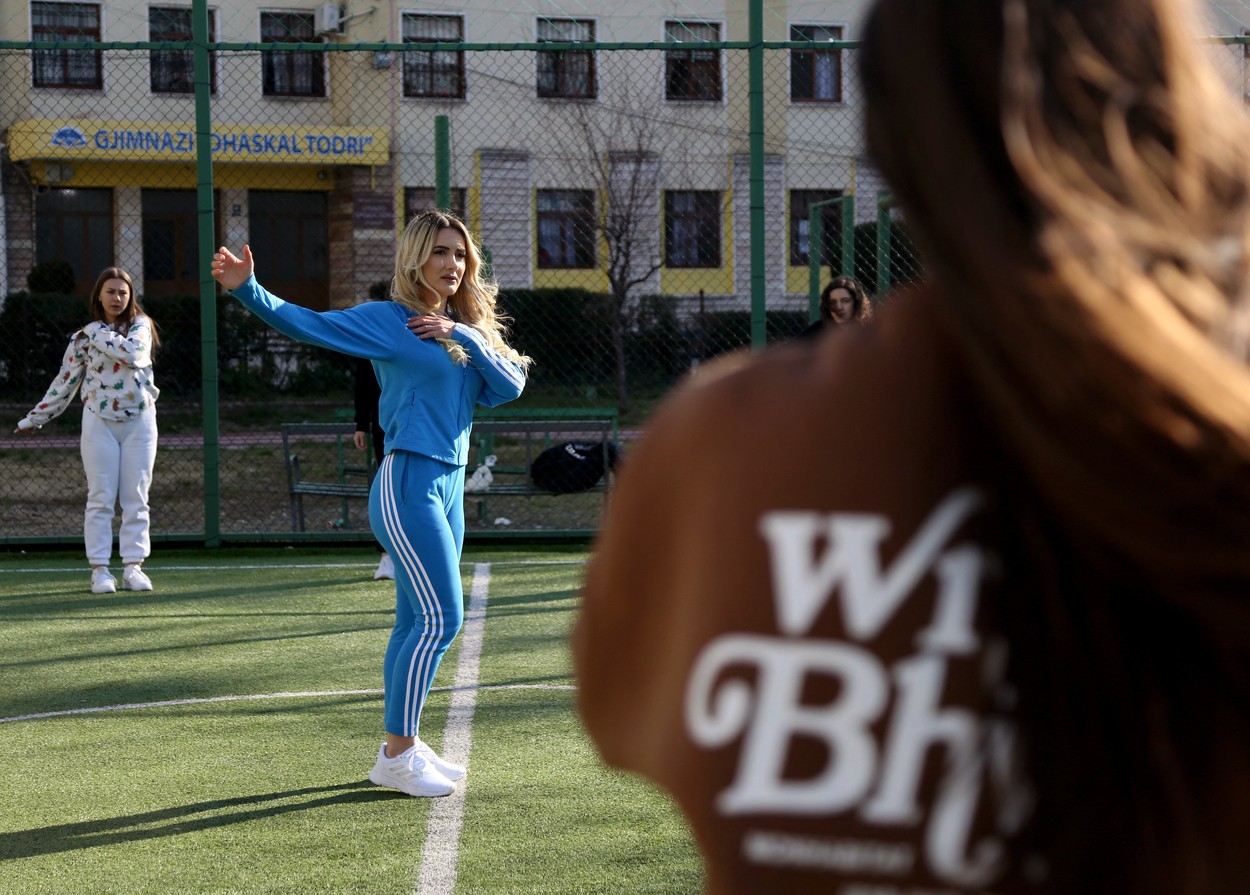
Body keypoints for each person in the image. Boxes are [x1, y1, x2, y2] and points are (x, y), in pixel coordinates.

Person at [573, 1, 1250, 893]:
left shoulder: (721, 441)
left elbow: (624, 711)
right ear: (1185, 107)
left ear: (890, 147)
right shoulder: (1214, 440)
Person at [211, 210, 530, 799]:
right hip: (407, 479)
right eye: (439, 252)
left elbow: (508, 387)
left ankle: (403, 744)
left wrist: (463, 336)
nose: (452, 265)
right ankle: (396, 755)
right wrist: (247, 290)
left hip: (449, 486)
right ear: (414, 258)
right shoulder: (391, 321)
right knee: (443, 618)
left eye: (460, 255)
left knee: (415, 619)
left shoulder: (463, 328)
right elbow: (309, 325)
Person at [14, 267, 160, 595]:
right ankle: (100, 570)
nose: (117, 298)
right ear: (98, 295)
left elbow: (134, 354)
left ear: (130, 296)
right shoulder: (82, 338)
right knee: (101, 497)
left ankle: (133, 567)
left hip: (140, 419)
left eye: (123, 292)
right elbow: (65, 382)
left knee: (136, 496)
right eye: (110, 292)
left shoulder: (140, 326)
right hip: (98, 421)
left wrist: (96, 331)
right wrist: (34, 418)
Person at [352, 354, 393, 580]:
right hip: (384, 424)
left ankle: (420, 554)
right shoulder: (376, 325)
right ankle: (387, 556)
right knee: (387, 487)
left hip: (421, 423)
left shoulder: (428, 327)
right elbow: (364, 379)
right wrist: (361, 424)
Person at [798, 274, 873, 338]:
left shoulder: (869, 332)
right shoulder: (816, 331)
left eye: (845, 301)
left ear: (856, 302)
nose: (839, 307)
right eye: (833, 302)